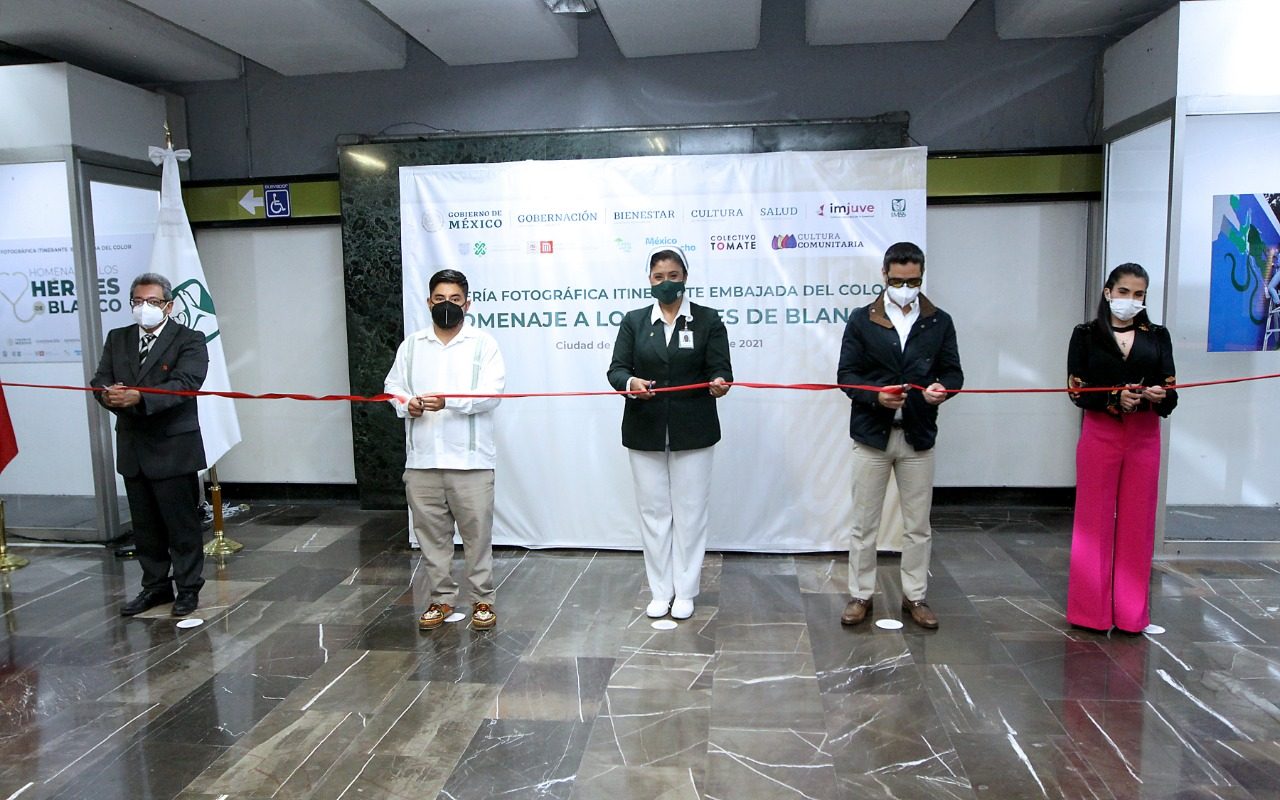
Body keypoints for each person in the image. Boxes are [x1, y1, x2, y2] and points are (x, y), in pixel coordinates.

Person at [836, 242, 963, 629]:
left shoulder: (939, 321)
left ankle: (915, 597)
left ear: (922, 276)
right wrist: (877, 397)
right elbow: (846, 376)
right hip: (872, 438)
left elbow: (954, 373)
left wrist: (941, 390)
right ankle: (861, 595)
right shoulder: (862, 319)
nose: (905, 287)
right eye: (898, 280)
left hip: (918, 436)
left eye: (913, 281)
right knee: (864, 524)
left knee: (918, 525)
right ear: (884, 276)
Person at [607, 247, 732, 620]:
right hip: (645, 430)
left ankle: (686, 591)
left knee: (690, 513)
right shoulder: (633, 321)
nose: (666, 283)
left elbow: (722, 369)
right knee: (654, 513)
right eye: (659, 277)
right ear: (649, 279)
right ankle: (661, 590)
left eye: (673, 276)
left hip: (693, 430)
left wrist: (720, 383)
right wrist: (631, 382)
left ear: (685, 277)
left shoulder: (708, 320)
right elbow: (616, 370)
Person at [385, 269, 505, 631]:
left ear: (467, 304)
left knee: (477, 536)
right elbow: (393, 387)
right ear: (428, 302)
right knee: (431, 538)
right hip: (422, 459)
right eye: (440, 299)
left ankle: (482, 599)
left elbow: (492, 393)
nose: (447, 306)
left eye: (455, 300)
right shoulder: (412, 345)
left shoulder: (483, 344)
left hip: (470, 461)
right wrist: (408, 405)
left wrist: (448, 401)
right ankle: (440, 599)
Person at [1066, 263, 1177, 633]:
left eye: (1139, 294)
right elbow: (1076, 389)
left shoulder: (1157, 335)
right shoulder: (1085, 334)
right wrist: (1115, 397)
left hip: (1145, 435)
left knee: (1138, 522)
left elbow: (1171, 391)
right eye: (1125, 292)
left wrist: (1159, 395)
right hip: (1101, 433)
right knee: (1093, 521)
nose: (1131, 300)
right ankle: (1089, 613)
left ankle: (1132, 616)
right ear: (1108, 292)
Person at [92, 272, 209, 617]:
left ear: (169, 306)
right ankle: (155, 587)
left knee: (181, 525)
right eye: (138, 302)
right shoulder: (118, 338)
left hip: (173, 447)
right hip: (133, 447)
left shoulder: (190, 339)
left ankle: (188, 589)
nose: (145, 308)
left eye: (153, 302)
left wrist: (140, 397)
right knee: (145, 528)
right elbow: (100, 378)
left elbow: (187, 382)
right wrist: (108, 396)